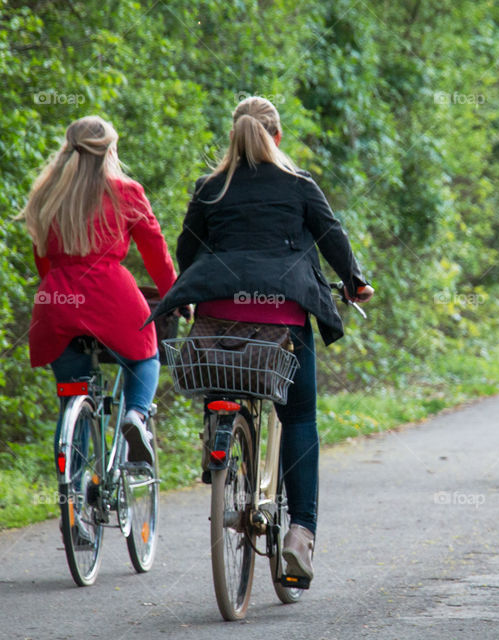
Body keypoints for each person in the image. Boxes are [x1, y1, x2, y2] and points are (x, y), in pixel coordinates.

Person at [150, 96, 372, 581]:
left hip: (218, 318)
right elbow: (332, 237)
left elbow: (187, 250)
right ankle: (301, 534)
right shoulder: (298, 184)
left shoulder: (209, 188)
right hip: (282, 322)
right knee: (299, 417)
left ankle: (219, 447)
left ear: (233, 135)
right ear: (278, 136)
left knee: (221, 382)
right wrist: (355, 282)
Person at [22, 116, 177, 471]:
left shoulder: (48, 194)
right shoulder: (125, 192)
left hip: (56, 300)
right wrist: (173, 294)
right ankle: (135, 415)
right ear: (109, 151)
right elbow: (156, 253)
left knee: (72, 400)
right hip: (112, 297)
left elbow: (42, 257)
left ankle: (72, 497)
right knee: (146, 356)